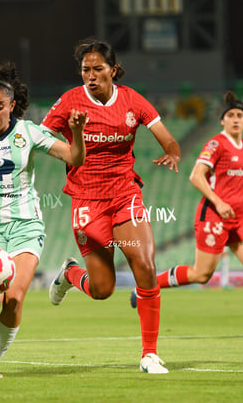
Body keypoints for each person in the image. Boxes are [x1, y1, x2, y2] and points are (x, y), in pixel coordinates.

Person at [41, 37, 181, 374]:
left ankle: (149, 354)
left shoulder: (132, 100)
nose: (90, 75)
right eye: (85, 70)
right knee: (102, 290)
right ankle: (71, 273)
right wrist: (69, 148)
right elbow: (40, 136)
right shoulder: (70, 102)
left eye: (98, 69)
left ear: (113, 70)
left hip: (125, 195)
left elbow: (165, 135)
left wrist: (173, 151)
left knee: (144, 264)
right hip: (87, 200)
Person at [0, 62, 87, 378]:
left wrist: (76, 131)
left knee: (15, 298)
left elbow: (74, 158)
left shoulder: (29, 131)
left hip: (26, 225)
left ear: (12, 105)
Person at [132, 91, 243, 293]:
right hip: (214, 215)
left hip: (237, 216)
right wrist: (219, 202)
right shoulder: (216, 144)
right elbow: (196, 176)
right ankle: (148, 286)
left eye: (240, 115)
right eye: (231, 115)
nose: (235, 120)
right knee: (201, 274)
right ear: (222, 121)